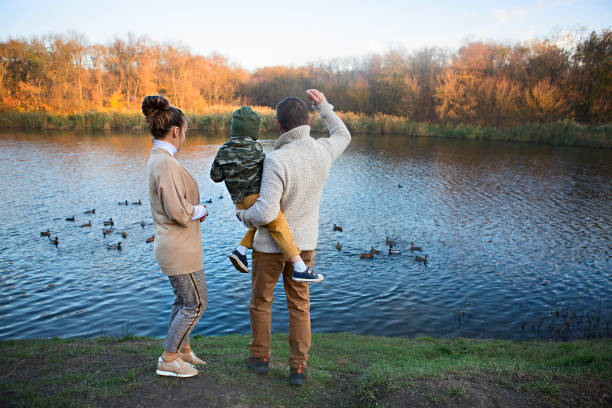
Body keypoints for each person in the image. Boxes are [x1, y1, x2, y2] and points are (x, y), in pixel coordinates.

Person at [235, 89, 351, 385]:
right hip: (305, 247)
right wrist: (325, 105)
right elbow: (343, 134)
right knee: (299, 306)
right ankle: (298, 367)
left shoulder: (276, 159)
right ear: (308, 121)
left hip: (268, 249)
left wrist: (243, 216)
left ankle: (259, 357)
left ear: (279, 126)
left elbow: (263, 213)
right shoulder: (323, 151)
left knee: (261, 302)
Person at [210, 106, 323, 283]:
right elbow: (266, 171)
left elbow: (215, 176)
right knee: (279, 225)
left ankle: (240, 250)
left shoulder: (223, 150)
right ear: (253, 130)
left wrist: (230, 171)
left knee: (261, 221)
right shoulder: (255, 148)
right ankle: (299, 266)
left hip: (238, 201)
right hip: (253, 196)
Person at [143, 95, 209, 378]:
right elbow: (178, 211)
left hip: (176, 244)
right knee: (196, 303)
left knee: (183, 301)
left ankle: (180, 349)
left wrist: (192, 210)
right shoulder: (165, 163)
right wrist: (199, 209)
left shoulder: (159, 159)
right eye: (185, 131)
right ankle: (168, 359)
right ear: (175, 131)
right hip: (178, 247)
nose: (185, 136)